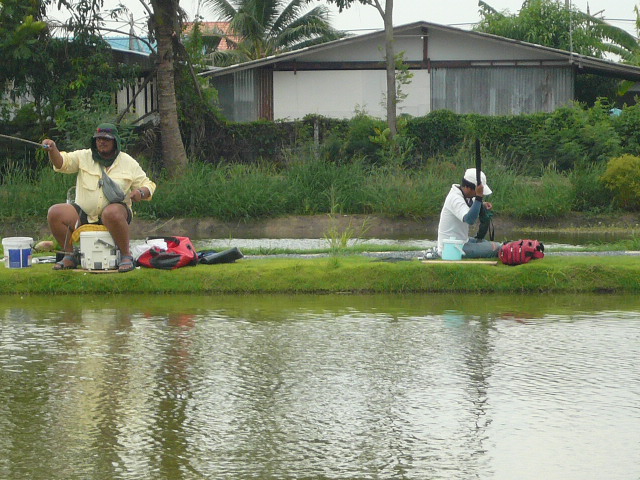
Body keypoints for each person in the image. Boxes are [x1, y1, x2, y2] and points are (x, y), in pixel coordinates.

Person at [43, 123, 156, 273]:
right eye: (98, 139)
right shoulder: (84, 156)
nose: (101, 142)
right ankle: (70, 256)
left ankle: (126, 256)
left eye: (106, 139)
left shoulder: (128, 162)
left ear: (115, 141)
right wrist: (53, 150)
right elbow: (62, 163)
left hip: (116, 214)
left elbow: (148, 184)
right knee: (55, 212)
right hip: (85, 214)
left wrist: (140, 193)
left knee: (110, 213)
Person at [436, 168, 501, 258]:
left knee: (487, 243)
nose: (478, 194)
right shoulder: (455, 198)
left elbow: (472, 204)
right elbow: (469, 219)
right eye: (477, 192)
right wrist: (478, 197)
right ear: (467, 188)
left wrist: (482, 204)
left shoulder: (465, 195)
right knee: (496, 248)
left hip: (462, 241)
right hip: (452, 247)